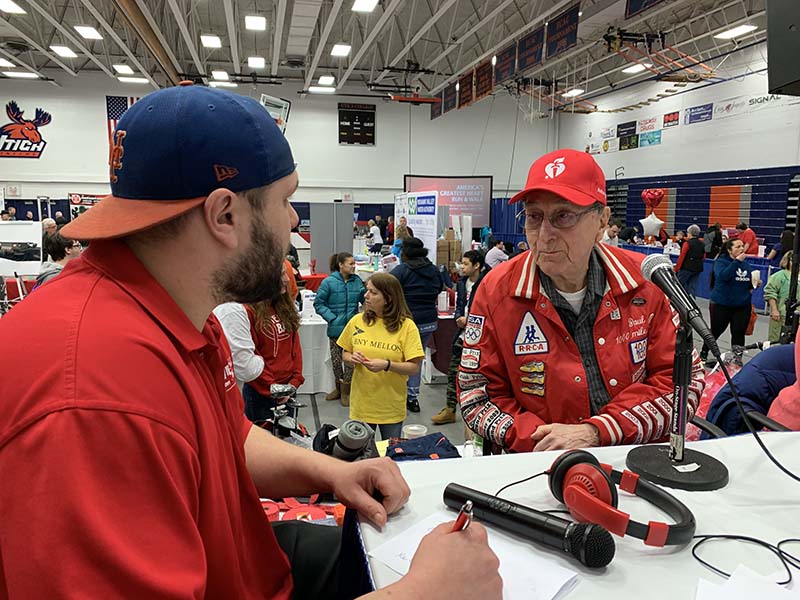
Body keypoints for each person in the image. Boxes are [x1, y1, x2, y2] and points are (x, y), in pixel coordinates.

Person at [0, 84, 501, 599]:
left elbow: (225, 439)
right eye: (285, 200)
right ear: (224, 215)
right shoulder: (94, 397)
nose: (293, 221)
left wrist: (331, 472)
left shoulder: (178, 312)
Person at [458, 148, 704, 452]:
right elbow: (476, 394)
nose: (544, 234)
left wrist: (597, 432)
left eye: (563, 216)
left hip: (631, 459)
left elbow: (684, 384)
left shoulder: (645, 282)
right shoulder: (496, 290)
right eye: (534, 217)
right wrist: (548, 443)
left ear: (602, 221)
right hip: (534, 467)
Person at [338, 273, 425, 439]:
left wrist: (387, 365)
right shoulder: (357, 321)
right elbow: (345, 354)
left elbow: (414, 368)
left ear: (389, 298)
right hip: (362, 406)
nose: (366, 295)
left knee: (389, 455)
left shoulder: (407, 327)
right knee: (361, 457)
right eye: (366, 290)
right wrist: (352, 358)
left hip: (390, 408)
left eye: (373, 292)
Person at [240, 267, 304, 423]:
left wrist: (294, 382)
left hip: (288, 390)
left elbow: (294, 347)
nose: (288, 279)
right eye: (281, 274)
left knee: (288, 439)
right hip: (260, 393)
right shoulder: (248, 311)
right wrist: (272, 388)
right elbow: (252, 356)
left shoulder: (283, 306)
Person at [390, 237, 444, 412]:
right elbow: (440, 289)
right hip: (428, 321)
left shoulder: (402, 271)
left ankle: (396, 394)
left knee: (397, 358)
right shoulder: (434, 270)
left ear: (404, 252)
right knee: (416, 358)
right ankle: (412, 397)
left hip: (406, 321)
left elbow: (387, 290)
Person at [433, 250, 487, 425]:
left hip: (480, 339)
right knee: (453, 371)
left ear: (476, 265)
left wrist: (470, 320)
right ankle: (450, 409)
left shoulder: (487, 283)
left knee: (478, 377)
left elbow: (489, 312)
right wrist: (458, 317)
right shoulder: (462, 283)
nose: (461, 267)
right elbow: (460, 305)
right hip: (462, 335)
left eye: (465, 264)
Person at [314, 251, 366, 406]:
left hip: (354, 330)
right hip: (335, 329)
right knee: (336, 361)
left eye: (354, 263)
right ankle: (338, 388)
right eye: (350, 263)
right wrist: (332, 318)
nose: (353, 266)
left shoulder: (357, 282)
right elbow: (319, 303)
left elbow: (366, 300)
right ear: (340, 265)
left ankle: (346, 391)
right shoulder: (328, 282)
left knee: (350, 361)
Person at [699, 239, 758, 366]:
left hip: (742, 305)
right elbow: (724, 276)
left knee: (738, 333)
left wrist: (754, 283)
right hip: (722, 304)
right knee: (715, 331)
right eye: (738, 247)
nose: (742, 248)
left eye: (742, 246)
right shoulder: (721, 262)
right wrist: (736, 262)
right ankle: (703, 353)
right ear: (729, 250)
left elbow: (745, 281)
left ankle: (737, 359)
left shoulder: (745, 264)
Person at [764, 251, 797, 343]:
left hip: (797, 316)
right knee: (777, 340)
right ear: (789, 261)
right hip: (781, 314)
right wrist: (774, 310)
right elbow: (770, 293)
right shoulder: (779, 276)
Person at [674, 224, 705, 299]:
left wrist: (676, 269)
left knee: (679, 286)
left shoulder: (687, 243)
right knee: (692, 287)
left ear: (690, 233)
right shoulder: (702, 243)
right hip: (697, 268)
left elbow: (682, 256)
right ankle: (691, 302)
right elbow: (704, 257)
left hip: (686, 268)